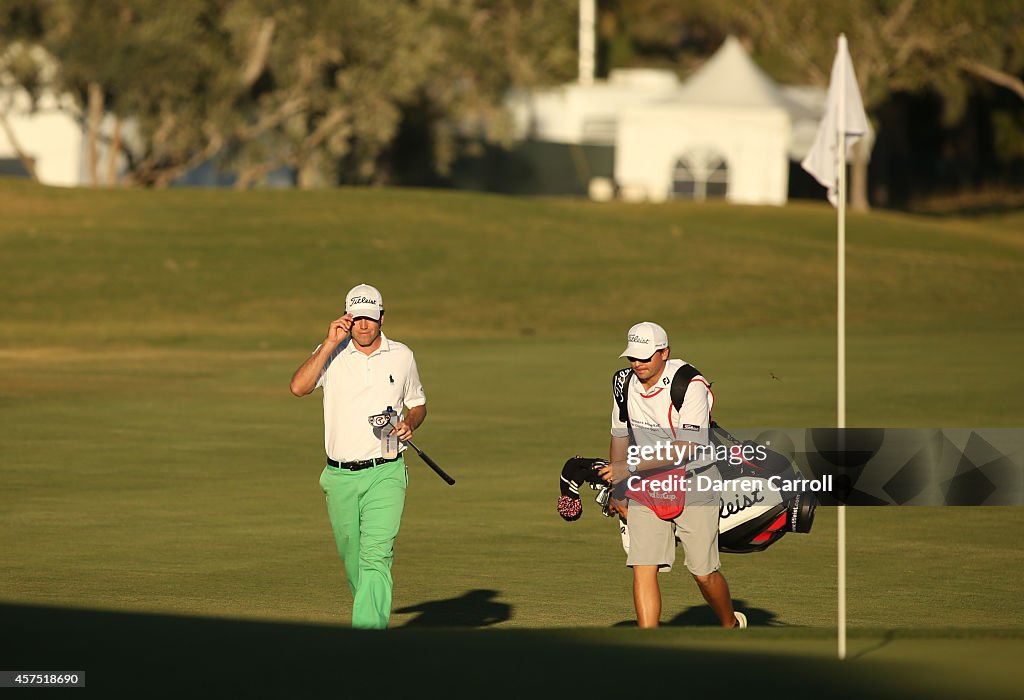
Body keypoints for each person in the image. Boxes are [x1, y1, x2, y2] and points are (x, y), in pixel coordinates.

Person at [289, 283, 426, 629]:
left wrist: (410, 423)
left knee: (376, 556)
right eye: (356, 319)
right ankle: (369, 618)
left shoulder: (402, 355)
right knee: (355, 563)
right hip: (339, 476)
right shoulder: (331, 352)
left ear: (381, 317)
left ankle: (368, 638)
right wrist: (330, 343)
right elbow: (298, 387)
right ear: (347, 319)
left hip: (387, 471)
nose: (363, 326)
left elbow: (418, 404)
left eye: (369, 318)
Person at [598, 321, 745, 629]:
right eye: (632, 358)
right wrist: (619, 489)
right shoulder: (623, 383)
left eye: (644, 357)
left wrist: (629, 468)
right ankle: (648, 643)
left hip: (695, 481)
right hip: (647, 485)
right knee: (643, 566)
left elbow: (688, 447)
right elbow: (620, 434)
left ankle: (730, 624)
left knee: (703, 572)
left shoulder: (689, 384)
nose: (636, 364)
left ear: (664, 353)